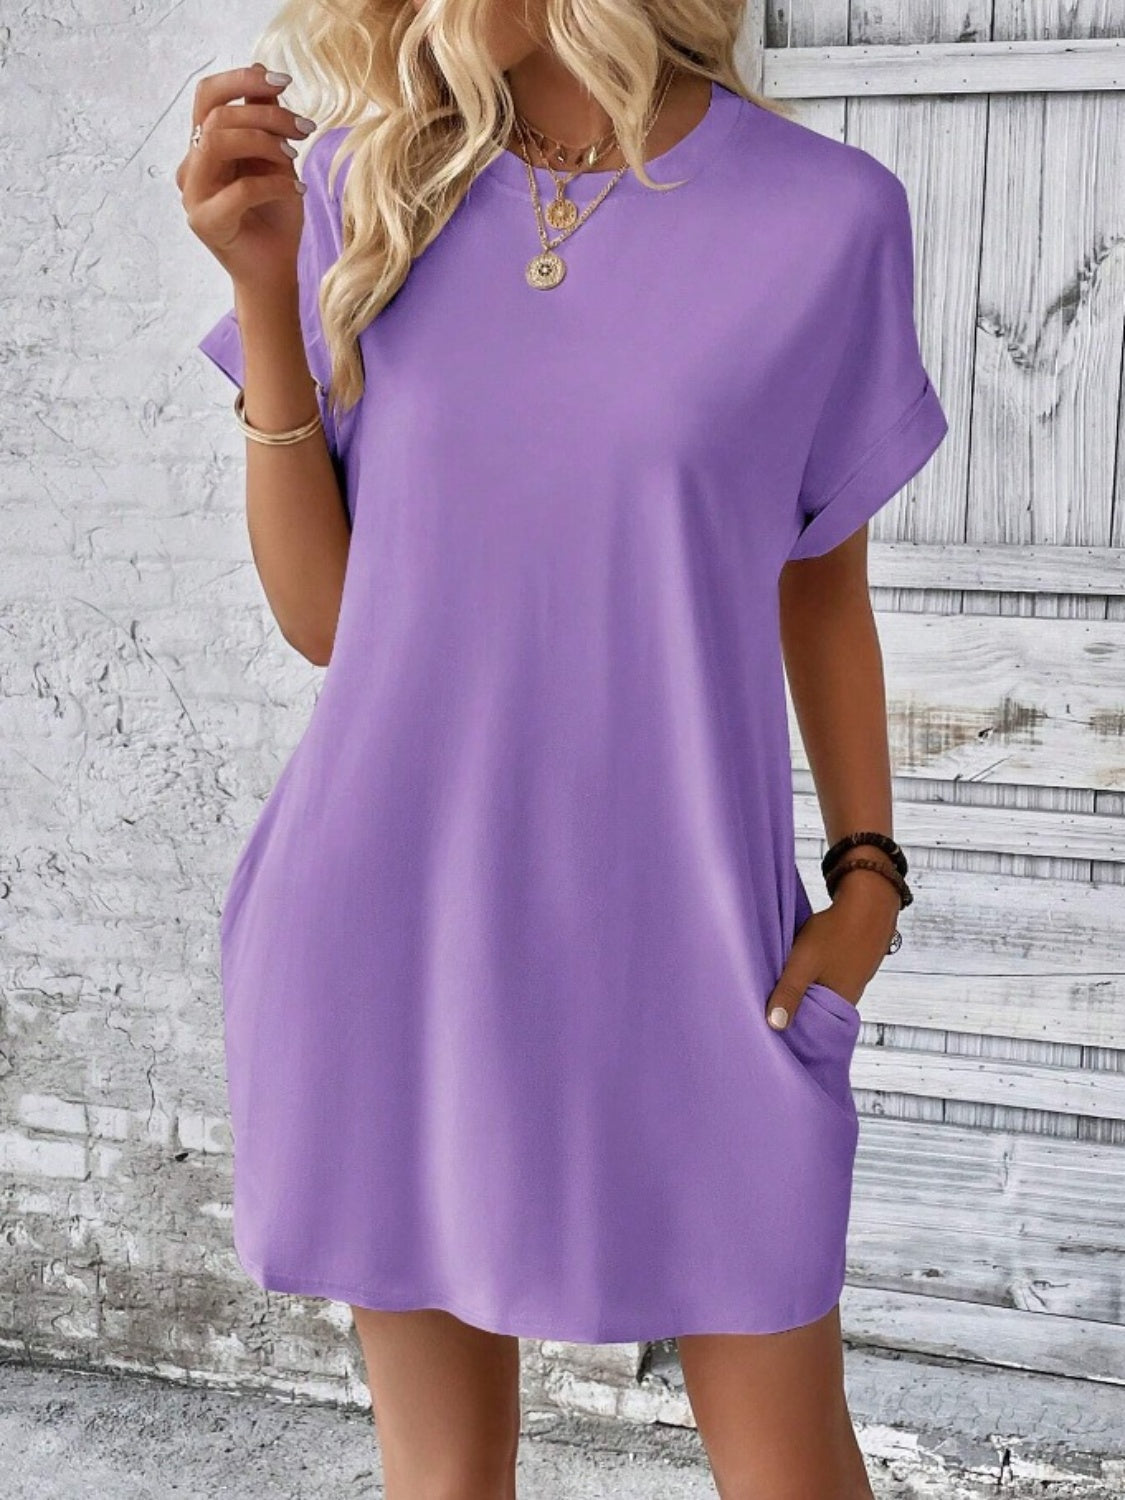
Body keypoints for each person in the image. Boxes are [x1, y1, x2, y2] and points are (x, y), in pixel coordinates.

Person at [178, 0, 947, 1493]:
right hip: (393, 924)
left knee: (790, 1466)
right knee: (445, 1478)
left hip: (688, 942)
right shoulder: (359, 188)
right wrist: (266, 293)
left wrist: (867, 880)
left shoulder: (828, 216)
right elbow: (330, 621)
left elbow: (821, 588)